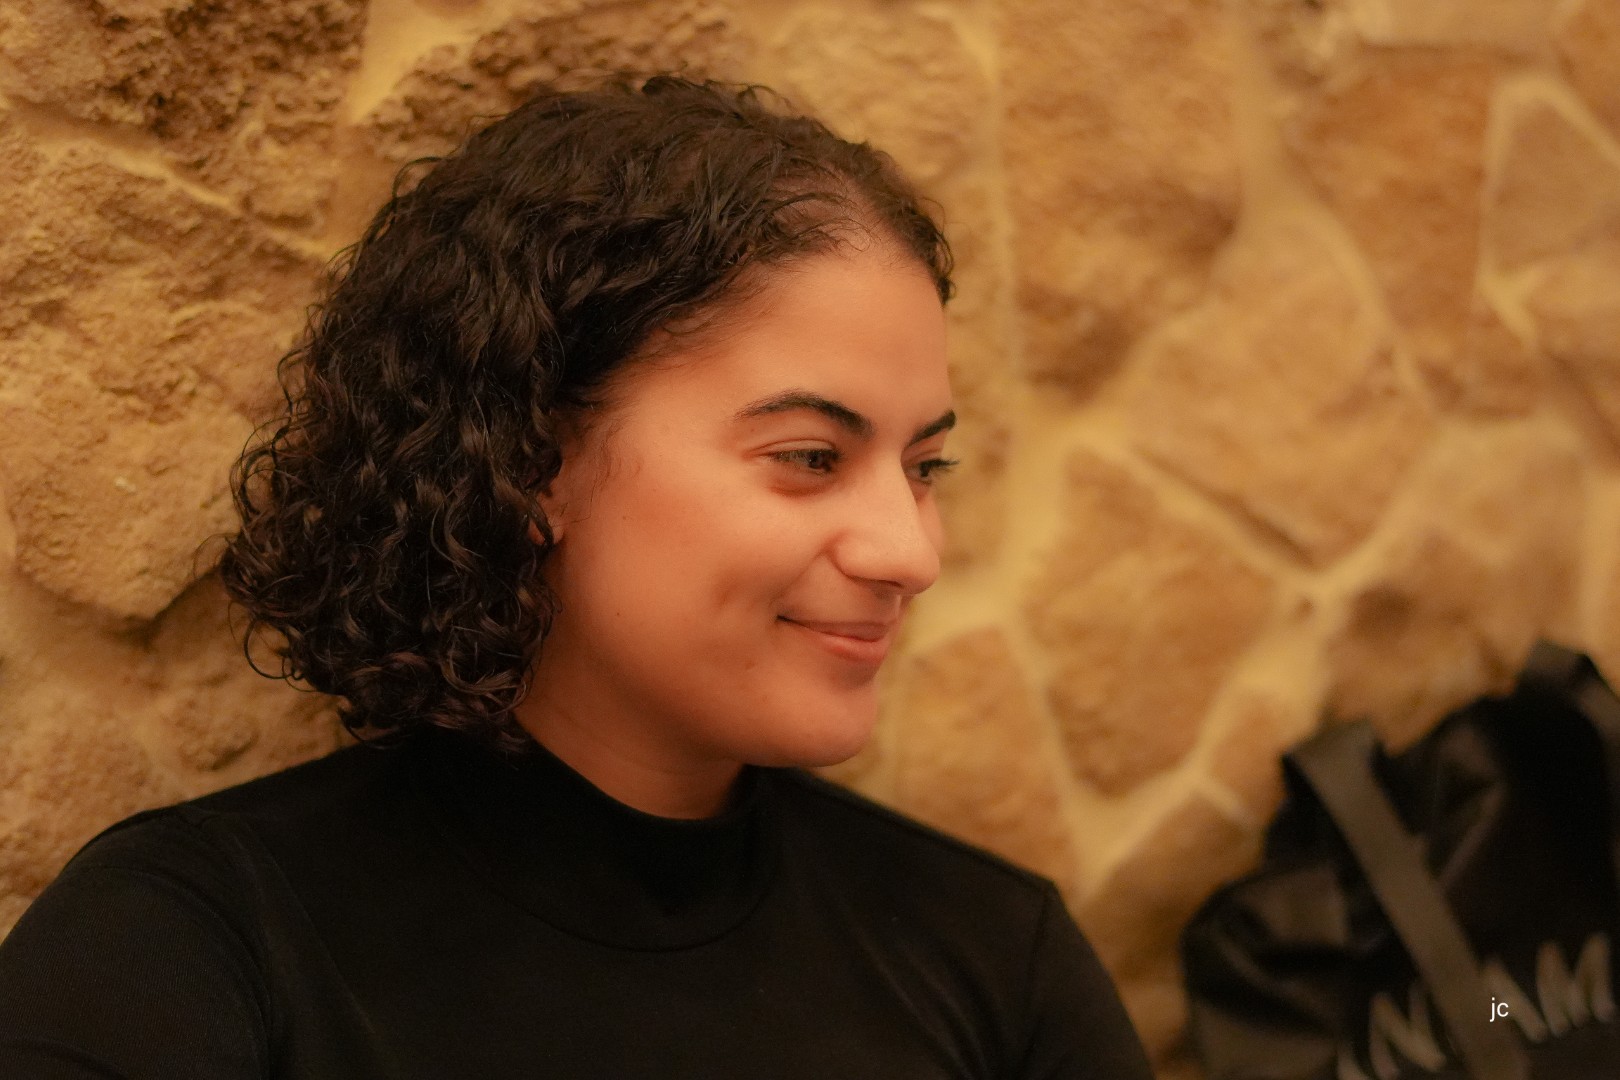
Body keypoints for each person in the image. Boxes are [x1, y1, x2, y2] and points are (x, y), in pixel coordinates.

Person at [0, 75, 1153, 1078]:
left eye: (924, 467)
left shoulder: (998, 963)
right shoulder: (191, 946)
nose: (910, 553)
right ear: (533, 458)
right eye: (810, 457)